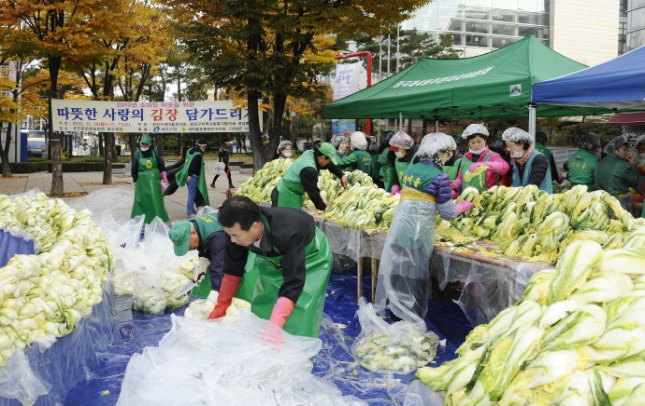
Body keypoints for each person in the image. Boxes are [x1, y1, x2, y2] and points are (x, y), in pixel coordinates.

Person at [374, 133, 474, 323]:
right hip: (418, 235)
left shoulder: (411, 170)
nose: (448, 157)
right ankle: (410, 320)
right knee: (414, 277)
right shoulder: (440, 176)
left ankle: (396, 316)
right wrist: (464, 205)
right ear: (440, 154)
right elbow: (448, 214)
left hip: (399, 229)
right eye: (447, 154)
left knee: (398, 272)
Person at [207, 196, 333, 339]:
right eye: (230, 235)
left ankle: (293, 351)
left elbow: (294, 280)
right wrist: (221, 307)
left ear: (255, 226)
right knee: (265, 301)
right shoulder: (236, 233)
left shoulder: (288, 232)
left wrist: (276, 324)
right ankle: (265, 339)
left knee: (300, 307)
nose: (232, 240)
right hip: (274, 257)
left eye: (235, 235)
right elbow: (232, 270)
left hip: (310, 257)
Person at [168, 212, 228, 304]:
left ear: (193, 233)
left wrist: (215, 293)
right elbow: (204, 240)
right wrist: (203, 261)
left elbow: (219, 266)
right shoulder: (192, 224)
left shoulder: (216, 237)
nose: (188, 250)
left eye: (187, 245)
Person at [271, 142, 348, 211]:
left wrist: (341, 175)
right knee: (284, 223)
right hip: (285, 196)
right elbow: (313, 192)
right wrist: (323, 207)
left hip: (289, 191)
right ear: (322, 157)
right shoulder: (308, 169)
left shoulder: (310, 153)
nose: (328, 163)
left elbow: (330, 164)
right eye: (328, 160)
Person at [450, 124, 510, 196]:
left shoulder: (492, 156)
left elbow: (505, 167)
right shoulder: (465, 157)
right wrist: (456, 183)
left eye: (479, 141)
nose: (476, 145)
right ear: (468, 143)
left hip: (485, 200)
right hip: (466, 199)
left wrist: (485, 165)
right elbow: (461, 178)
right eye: (472, 142)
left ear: (485, 140)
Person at [130, 134, 169, 223]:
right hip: (142, 180)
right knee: (142, 200)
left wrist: (164, 178)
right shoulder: (137, 155)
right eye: (142, 144)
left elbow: (161, 166)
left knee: (155, 199)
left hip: (154, 180)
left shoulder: (155, 153)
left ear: (150, 144)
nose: (144, 146)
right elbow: (134, 168)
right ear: (140, 143)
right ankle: (143, 219)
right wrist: (135, 179)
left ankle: (158, 217)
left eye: (146, 144)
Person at [594, 135, 639, 211]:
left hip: (602, 200)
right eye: (624, 150)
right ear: (615, 150)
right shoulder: (623, 165)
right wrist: (633, 165)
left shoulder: (600, 162)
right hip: (619, 202)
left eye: (627, 150)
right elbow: (634, 182)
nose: (626, 153)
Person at [502, 127, 553, 193]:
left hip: (541, 201)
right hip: (523, 201)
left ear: (521, 144)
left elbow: (532, 185)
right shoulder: (517, 161)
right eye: (507, 146)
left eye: (510, 146)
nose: (508, 149)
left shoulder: (539, 159)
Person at [176, 138, 210, 217]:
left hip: (187, 175)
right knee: (192, 195)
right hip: (192, 177)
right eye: (204, 146)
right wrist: (190, 176)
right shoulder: (198, 155)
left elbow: (184, 158)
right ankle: (190, 212)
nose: (204, 148)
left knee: (192, 194)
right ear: (200, 146)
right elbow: (193, 165)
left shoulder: (190, 150)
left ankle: (191, 210)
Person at [389, 130, 418, 196]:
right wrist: (395, 186)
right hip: (403, 197)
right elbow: (396, 177)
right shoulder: (397, 159)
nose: (395, 152)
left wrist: (405, 191)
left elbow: (419, 180)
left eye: (397, 149)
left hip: (415, 196)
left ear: (405, 147)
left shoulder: (417, 158)